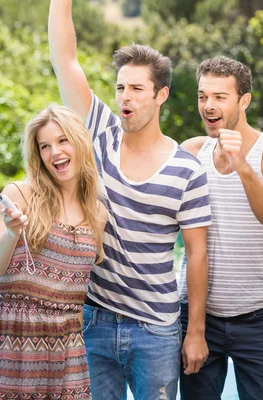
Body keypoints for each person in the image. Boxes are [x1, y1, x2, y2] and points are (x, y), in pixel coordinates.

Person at [48, 1, 211, 398]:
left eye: (137, 88)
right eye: (121, 87)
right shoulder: (100, 133)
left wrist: (195, 333)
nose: (126, 96)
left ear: (161, 95)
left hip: (156, 329)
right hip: (94, 321)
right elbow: (64, 59)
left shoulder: (187, 170)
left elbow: (198, 256)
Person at [0, 105, 108, 399]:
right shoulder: (19, 195)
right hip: (7, 345)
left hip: (66, 351)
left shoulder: (97, 213)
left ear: (79, 142)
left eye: (63, 140)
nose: (55, 152)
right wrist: (12, 234)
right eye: (45, 146)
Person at [178, 56, 263, 400]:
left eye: (219, 97)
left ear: (243, 100)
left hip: (257, 321)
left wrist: (244, 167)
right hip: (199, 319)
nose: (208, 106)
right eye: (203, 96)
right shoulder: (192, 153)